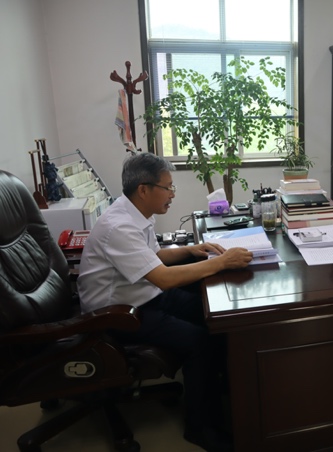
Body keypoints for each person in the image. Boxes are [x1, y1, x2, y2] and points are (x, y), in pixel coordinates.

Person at [77, 152, 252, 452]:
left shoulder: (135, 213)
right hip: (118, 314)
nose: (172, 193)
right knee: (199, 341)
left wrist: (192, 250)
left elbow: (154, 257)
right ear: (144, 189)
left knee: (213, 314)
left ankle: (219, 388)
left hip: (144, 295)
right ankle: (199, 428)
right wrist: (221, 262)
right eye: (167, 187)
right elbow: (163, 278)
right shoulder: (119, 227)